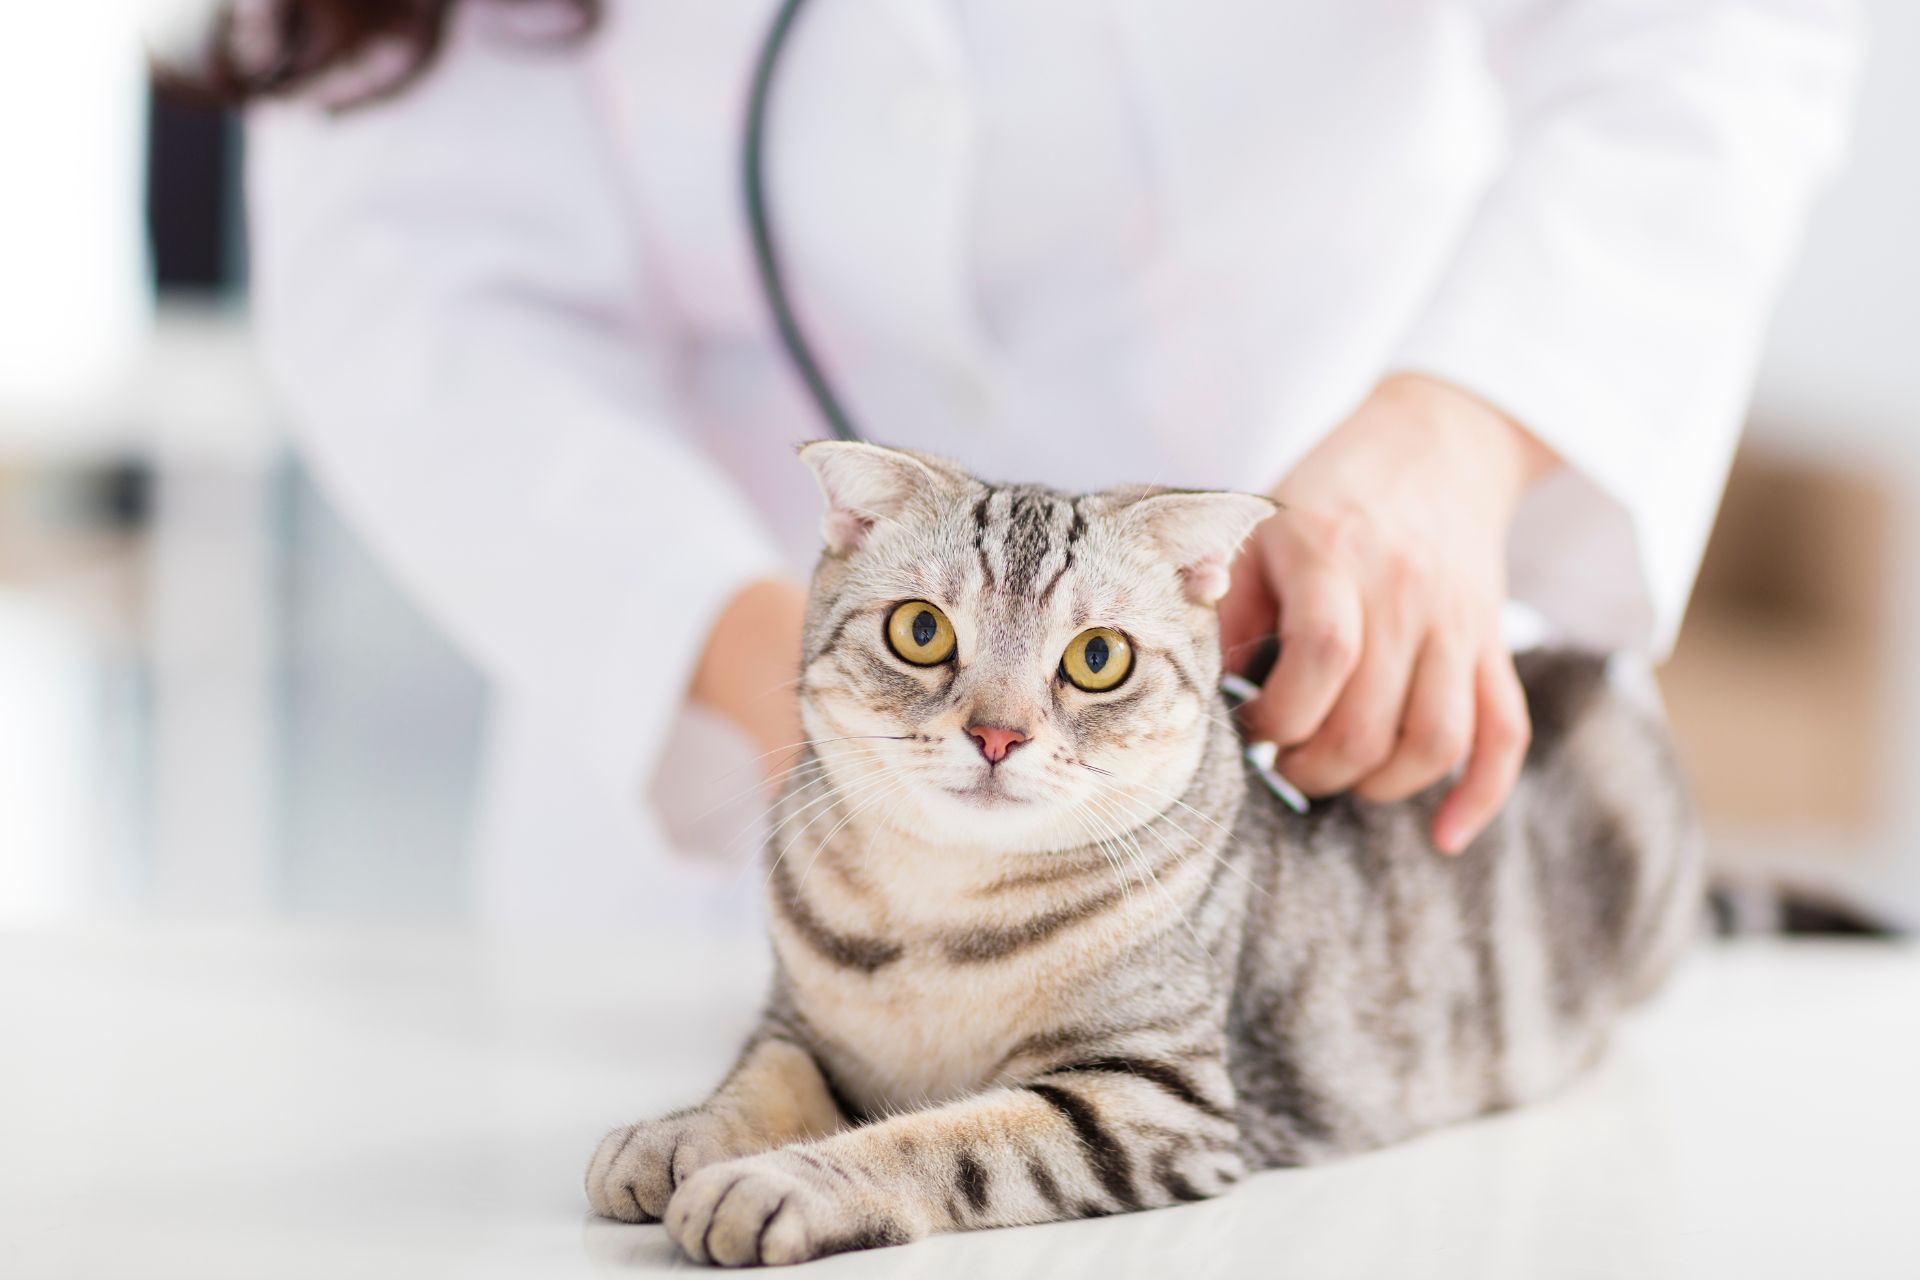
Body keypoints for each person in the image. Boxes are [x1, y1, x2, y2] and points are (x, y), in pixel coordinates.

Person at [225, 0, 1858, 924]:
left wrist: (1462, 425)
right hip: (715, 866)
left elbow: (1703, 46)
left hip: (1337, 730)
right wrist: (777, 682)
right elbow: (416, 292)